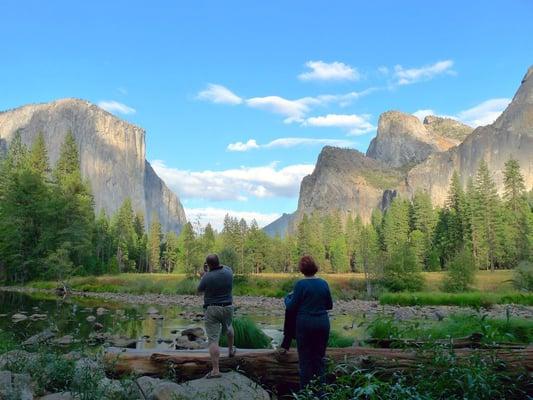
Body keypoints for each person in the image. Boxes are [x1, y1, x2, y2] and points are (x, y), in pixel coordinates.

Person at [284, 255, 333, 389]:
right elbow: (329, 305)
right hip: (323, 323)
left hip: (305, 324)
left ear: (302, 269)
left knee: (305, 360)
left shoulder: (300, 284)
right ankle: (321, 392)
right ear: (315, 267)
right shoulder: (324, 283)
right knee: (319, 360)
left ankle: (306, 393)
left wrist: (286, 298)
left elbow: (291, 307)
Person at [197, 254, 236, 378]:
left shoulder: (207, 276)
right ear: (219, 262)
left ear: (208, 265)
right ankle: (230, 350)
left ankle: (216, 370)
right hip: (228, 306)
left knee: (213, 340)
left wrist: (203, 276)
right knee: (229, 327)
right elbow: (224, 268)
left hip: (212, 308)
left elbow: (199, 290)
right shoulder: (229, 271)